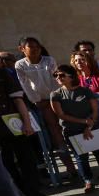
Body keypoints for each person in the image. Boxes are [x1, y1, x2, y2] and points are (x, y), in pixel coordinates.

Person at [0, 49, 47, 196]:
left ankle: (35, 193)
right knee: (6, 165)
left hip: (14, 124)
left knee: (27, 161)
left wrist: (27, 123)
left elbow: (18, 100)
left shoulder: (2, 75)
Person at [14, 36, 78, 177]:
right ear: (22, 49)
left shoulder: (49, 61)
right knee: (55, 132)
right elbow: (25, 85)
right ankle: (71, 167)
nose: (36, 50)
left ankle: (81, 162)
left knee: (69, 128)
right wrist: (37, 100)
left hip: (56, 99)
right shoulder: (20, 65)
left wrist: (54, 98)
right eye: (31, 47)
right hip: (41, 103)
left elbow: (56, 80)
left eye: (38, 46)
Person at [49, 64, 99, 191]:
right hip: (72, 129)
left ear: (71, 76)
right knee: (81, 157)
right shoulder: (55, 94)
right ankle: (88, 181)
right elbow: (61, 115)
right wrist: (83, 121)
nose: (58, 78)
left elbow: (95, 109)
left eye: (62, 75)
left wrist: (89, 125)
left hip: (92, 126)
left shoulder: (85, 91)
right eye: (56, 75)